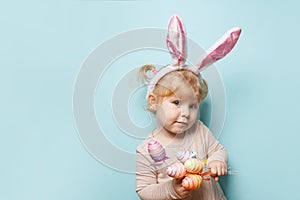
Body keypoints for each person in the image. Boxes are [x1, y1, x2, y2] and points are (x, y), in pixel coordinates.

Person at [135, 15, 241, 200]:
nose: (185, 113)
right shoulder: (146, 149)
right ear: (153, 101)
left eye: (192, 105)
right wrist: (172, 190)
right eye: (176, 103)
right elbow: (144, 191)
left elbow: (218, 149)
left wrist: (218, 160)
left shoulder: (199, 130)